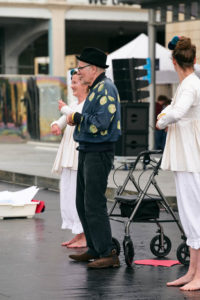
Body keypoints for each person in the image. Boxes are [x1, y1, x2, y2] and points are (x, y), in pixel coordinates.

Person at [67, 47, 121, 269]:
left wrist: (78, 117)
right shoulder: (97, 88)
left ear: (94, 68)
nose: (78, 73)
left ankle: (107, 252)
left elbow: (101, 123)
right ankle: (95, 247)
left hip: (99, 151)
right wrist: (78, 119)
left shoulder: (105, 89)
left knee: (94, 203)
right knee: (82, 202)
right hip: (89, 149)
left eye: (81, 69)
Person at [156, 36, 200, 291]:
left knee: (194, 215)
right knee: (189, 214)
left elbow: (177, 111)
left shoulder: (190, 85)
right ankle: (192, 270)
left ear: (174, 61)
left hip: (191, 158)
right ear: (193, 60)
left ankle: (198, 273)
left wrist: (161, 120)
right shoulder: (189, 83)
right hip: (188, 157)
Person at [51, 70, 88, 248]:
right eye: (71, 82)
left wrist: (65, 110)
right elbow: (63, 119)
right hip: (68, 154)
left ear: (85, 84)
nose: (72, 86)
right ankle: (77, 233)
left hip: (78, 154)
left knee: (77, 194)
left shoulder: (87, 104)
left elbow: (75, 116)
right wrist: (56, 125)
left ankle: (84, 235)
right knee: (67, 193)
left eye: (75, 82)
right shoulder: (74, 103)